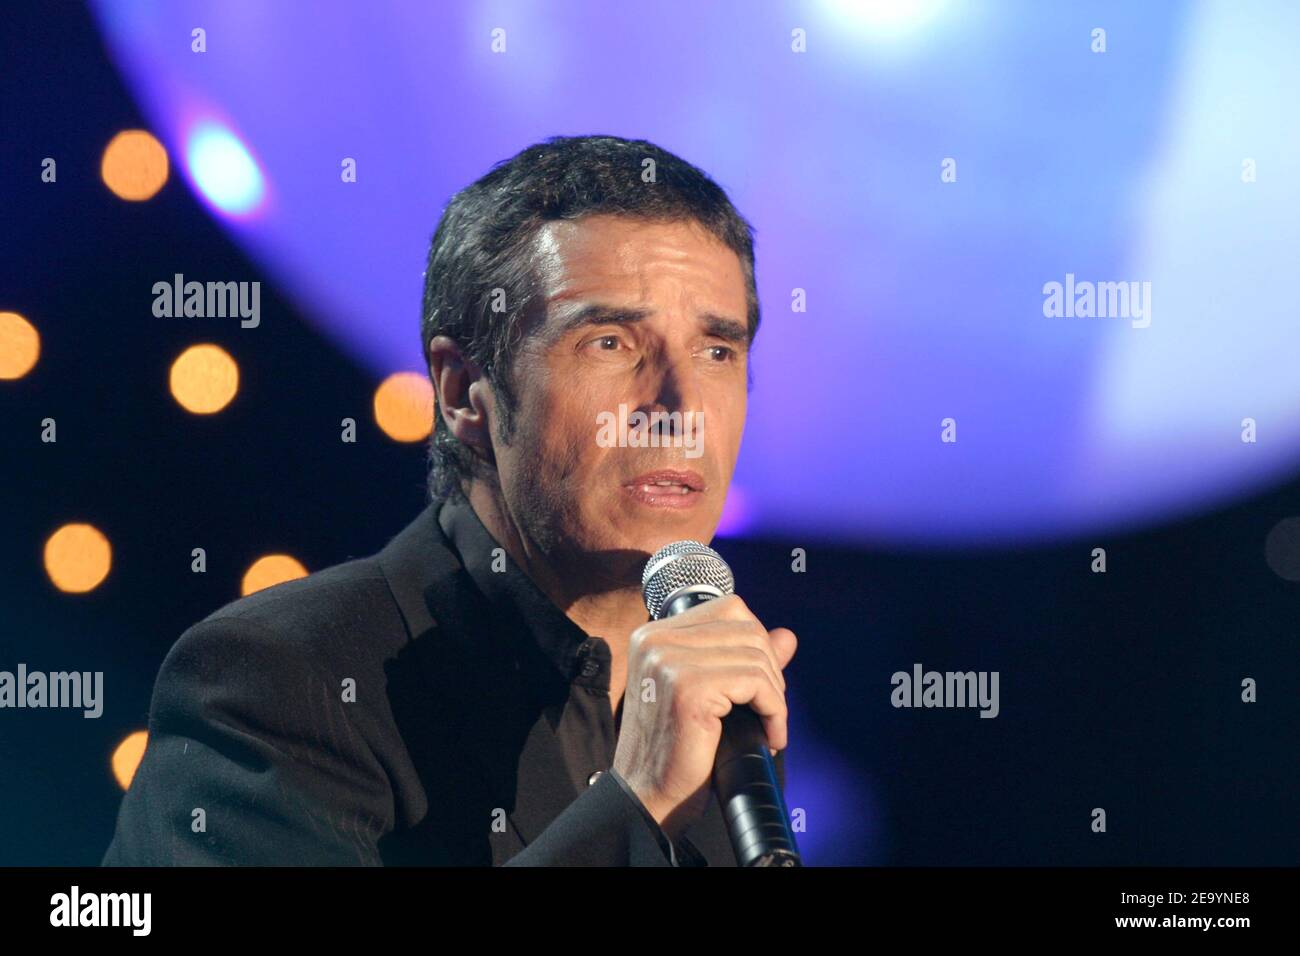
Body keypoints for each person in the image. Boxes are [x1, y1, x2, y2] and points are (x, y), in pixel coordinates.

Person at [101, 134, 796, 866]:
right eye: (611, 343)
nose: (678, 407)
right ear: (465, 393)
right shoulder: (278, 678)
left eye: (718, 351)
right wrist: (635, 802)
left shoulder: (724, 714)